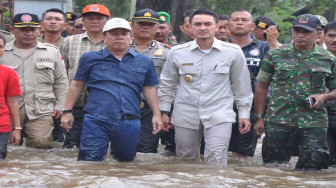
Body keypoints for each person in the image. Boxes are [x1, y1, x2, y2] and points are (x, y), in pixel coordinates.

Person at [158, 9, 253, 167]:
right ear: (191, 27)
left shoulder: (233, 52)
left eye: (207, 24)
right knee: (185, 159)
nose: (203, 28)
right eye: (198, 24)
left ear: (217, 26)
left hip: (219, 112)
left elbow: (242, 86)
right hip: (185, 112)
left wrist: (244, 114)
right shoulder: (177, 53)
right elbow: (167, 84)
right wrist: (164, 111)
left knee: (216, 158)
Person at [61, 17, 163, 162]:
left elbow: (149, 88)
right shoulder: (89, 58)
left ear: (130, 37)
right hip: (96, 120)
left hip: (130, 120)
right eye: (114, 33)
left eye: (124, 33)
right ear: (104, 37)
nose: (119, 37)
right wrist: (67, 111)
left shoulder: (144, 61)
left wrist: (156, 115)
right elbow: (77, 85)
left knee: (125, 164)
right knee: (88, 163)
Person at [254, 14, 336, 170]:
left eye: (306, 32)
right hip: (279, 120)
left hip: (314, 121)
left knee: (312, 169)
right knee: (273, 168)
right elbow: (262, 86)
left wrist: (324, 96)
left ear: (318, 34)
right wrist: (259, 117)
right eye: (297, 31)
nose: (300, 35)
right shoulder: (275, 55)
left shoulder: (328, 59)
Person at [0, 13, 69, 149]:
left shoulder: (52, 52)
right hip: (8, 109)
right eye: (23, 29)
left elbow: (61, 81)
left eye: (32, 29)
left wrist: (61, 105)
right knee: (8, 146)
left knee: (41, 144)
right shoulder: (3, 51)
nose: (28, 33)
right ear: (12, 30)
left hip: (41, 109)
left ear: (40, 30)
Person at [61, 4, 109, 148]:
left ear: (107, 20)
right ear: (83, 20)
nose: (94, 21)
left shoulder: (115, 42)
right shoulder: (70, 41)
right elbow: (63, 72)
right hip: (75, 102)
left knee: (100, 145)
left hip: (104, 105)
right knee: (71, 146)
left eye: (99, 18)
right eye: (90, 18)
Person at [227, 9, 269, 158]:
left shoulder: (265, 47)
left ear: (252, 27)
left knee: (241, 156)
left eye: (244, 20)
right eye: (235, 20)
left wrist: (260, 116)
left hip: (251, 107)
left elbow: (267, 82)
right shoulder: (218, 47)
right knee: (211, 152)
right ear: (227, 25)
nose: (239, 22)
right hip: (220, 106)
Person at [129, 9, 169, 154]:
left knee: (147, 151)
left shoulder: (166, 52)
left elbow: (169, 84)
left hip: (151, 110)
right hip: (123, 107)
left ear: (157, 27)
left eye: (150, 25)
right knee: (120, 150)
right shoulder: (120, 47)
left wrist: (164, 111)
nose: (146, 27)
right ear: (132, 25)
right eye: (141, 24)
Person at [0, 34, 22, 160]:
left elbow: (13, 101)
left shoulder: (9, 73)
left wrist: (17, 128)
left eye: (1, 47)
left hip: (2, 127)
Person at [324, 21, 336, 165]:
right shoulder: (315, 58)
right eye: (331, 36)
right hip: (322, 115)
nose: (334, 40)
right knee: (324, 161)